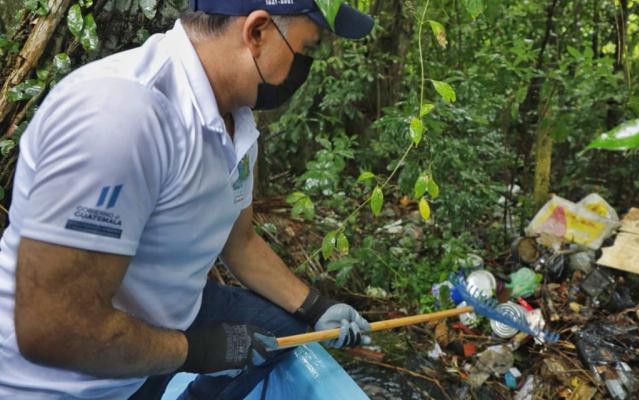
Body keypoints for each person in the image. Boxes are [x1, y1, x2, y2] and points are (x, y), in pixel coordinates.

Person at [0, 0, 375, 398]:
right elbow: (53, 328)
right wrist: (200, 351)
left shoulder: (236, 122)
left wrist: (315, 307)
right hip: (61, 384)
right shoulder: (122, 116)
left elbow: (241, 242)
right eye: (307, 50)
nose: (305, 68)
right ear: (258, 32)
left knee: (285, 333)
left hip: (164, 326)